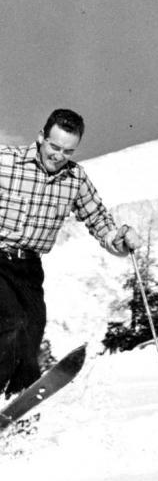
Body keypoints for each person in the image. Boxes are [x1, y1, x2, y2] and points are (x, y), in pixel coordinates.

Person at [0, 108, 141, 398]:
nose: (58, 155)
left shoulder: (75, 179)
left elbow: (99, 220)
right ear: (41, 137)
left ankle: (17, 404)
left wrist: (121, 239)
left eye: (67, 150)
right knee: (13, 322)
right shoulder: (6, 162)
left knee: (31, 335)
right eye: (54, 146)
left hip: (27, 268)